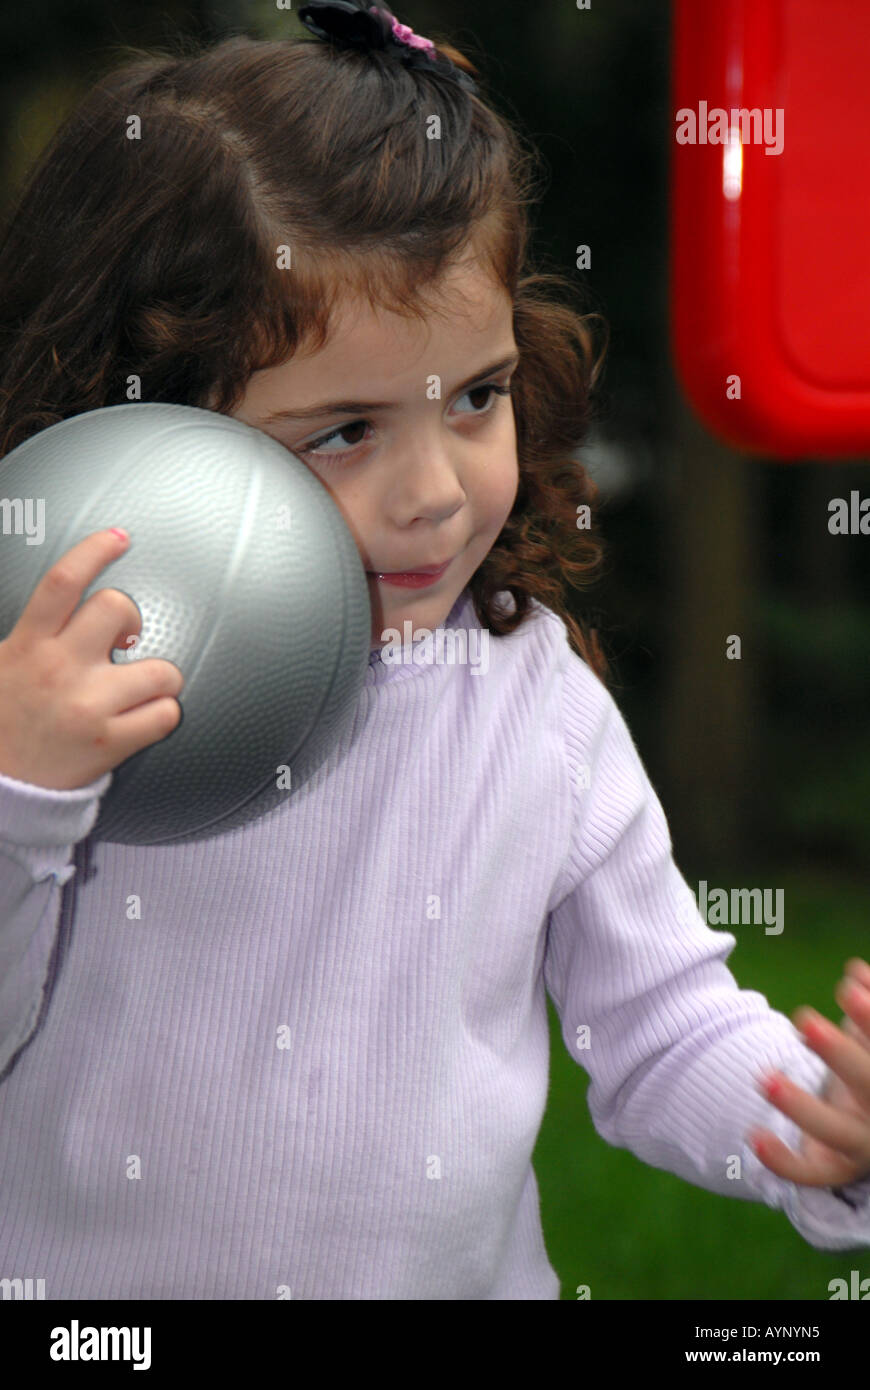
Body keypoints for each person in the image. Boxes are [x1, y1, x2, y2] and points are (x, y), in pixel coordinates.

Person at [0, 3, 868, 1301]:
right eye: (343, 429)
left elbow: (660, 1024)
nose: (437, 494)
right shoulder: (52, 710)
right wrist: (25, 797)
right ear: (151, 432)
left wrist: (819, 1124)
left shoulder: (530, 707)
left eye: (475, 395)